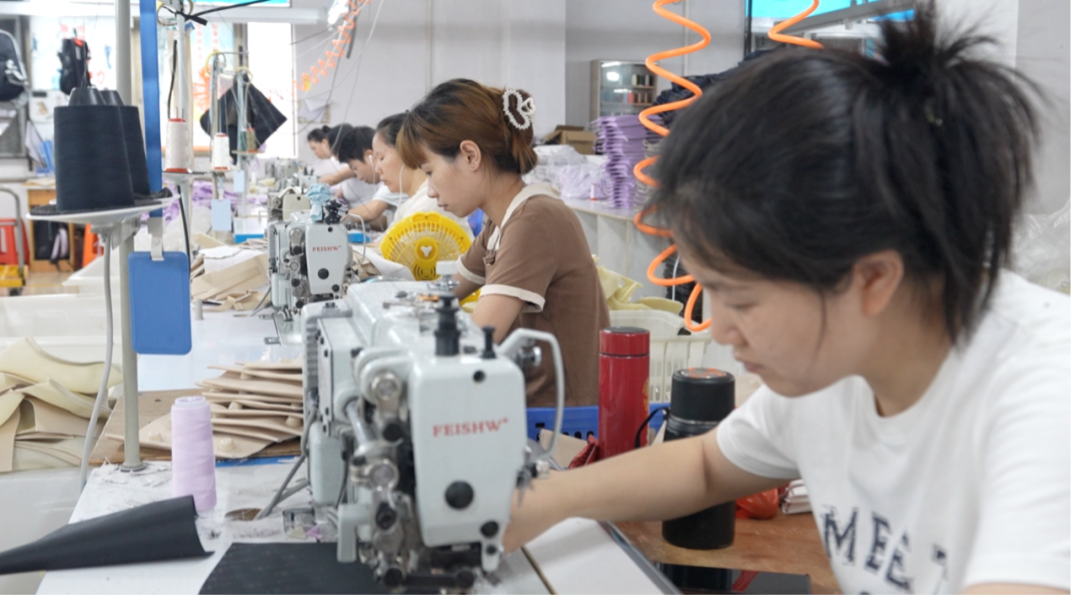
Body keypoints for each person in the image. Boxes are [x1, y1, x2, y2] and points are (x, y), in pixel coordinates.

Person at [503, 5, 1070, 596]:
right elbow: (704, 466)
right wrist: (540, 500)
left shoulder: (1044, 395)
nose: (719, 329)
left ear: (873, 279)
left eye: (741, 301)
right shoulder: (842, 362)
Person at [398, 79, 611, 408]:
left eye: (429, 171)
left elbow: (480, 338)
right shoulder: (502, 220)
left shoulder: (533, 220)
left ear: (470, 155)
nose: (430, 190)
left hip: (558, 428)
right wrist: (394, 301)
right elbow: (445, 292)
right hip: (524, 404)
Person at [366, 113, 473, 235]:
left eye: (381, 158)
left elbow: (389, 252)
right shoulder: (409, 206)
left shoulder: (430, 206)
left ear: (406, 151)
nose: (377, 169)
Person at [306, 124, 376, 207]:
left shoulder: (355, 165)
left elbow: (333, 179)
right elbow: (341, 192)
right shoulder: (352, 166)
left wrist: (308, 185)